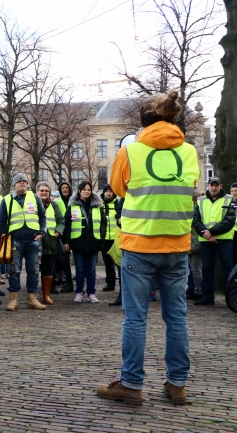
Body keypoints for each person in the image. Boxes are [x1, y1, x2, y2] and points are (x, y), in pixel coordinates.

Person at [97, 89, 199, 406]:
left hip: (139, 247)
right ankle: (177, 384)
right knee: (177, 318)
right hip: (177, 247)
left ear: (143, 123)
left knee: (136, 320)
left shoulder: (131, 153)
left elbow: (116, 188)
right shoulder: (190, 153)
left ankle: (131, 384)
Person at [0, 174, 46, 310]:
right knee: (14, 271)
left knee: (33, 271)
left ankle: (32, 299)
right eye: (19, 182)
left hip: (33, 240)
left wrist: (42, 232)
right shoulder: (7, 200)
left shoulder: (35, 198)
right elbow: (0, 222)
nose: (22, 183)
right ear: (14, 185)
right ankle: (13, 300)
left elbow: (42, 217)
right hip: (15, 241)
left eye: (24, 181)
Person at [191, 177, 235, 305]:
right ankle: (207, 297)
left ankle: (231, 299)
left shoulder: (229, 199)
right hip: (206, 240)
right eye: (212, 185)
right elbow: (196, 220)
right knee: (207, 270)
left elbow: (230, 220)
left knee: (229, 270)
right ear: (208, 186)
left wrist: (212, 232)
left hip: (224, 239)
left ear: (221, 186)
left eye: (216, 185)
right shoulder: (200, 200)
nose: (214, 188)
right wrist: (207, 234)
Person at [63, 180, 107, 303]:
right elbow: (67, 224)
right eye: (84, 190)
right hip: (78, 242)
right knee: (80, 269)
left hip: (94, 242)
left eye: (89, 190)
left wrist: (101, 237)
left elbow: (104, 222)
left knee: (92, 270)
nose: (87, 192)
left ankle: (91, 293)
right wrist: (66, 241)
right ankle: (79, 292)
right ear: (79, 191)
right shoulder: (73, 205)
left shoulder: (98, 205)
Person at [35, 181, 65, 303]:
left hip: (50, 242)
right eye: (42, 190)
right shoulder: (32, 204)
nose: (44, 192)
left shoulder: (54, 205)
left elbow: (61, 221)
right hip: (36, 243)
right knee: (34, 270)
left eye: (46, 191)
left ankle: (46, 295)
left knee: (48, 269)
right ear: (37, 191)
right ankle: (33, 295)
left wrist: (58, 232)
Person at [54, 181, 74, 292]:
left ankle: (68, 281)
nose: (65, 189)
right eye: (63, 188)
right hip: (62, 233)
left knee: (67, 259)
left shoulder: (74, 201)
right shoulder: (57, 202)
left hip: (74, 232)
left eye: (67, 187)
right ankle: (64, 280)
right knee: (61, 259)